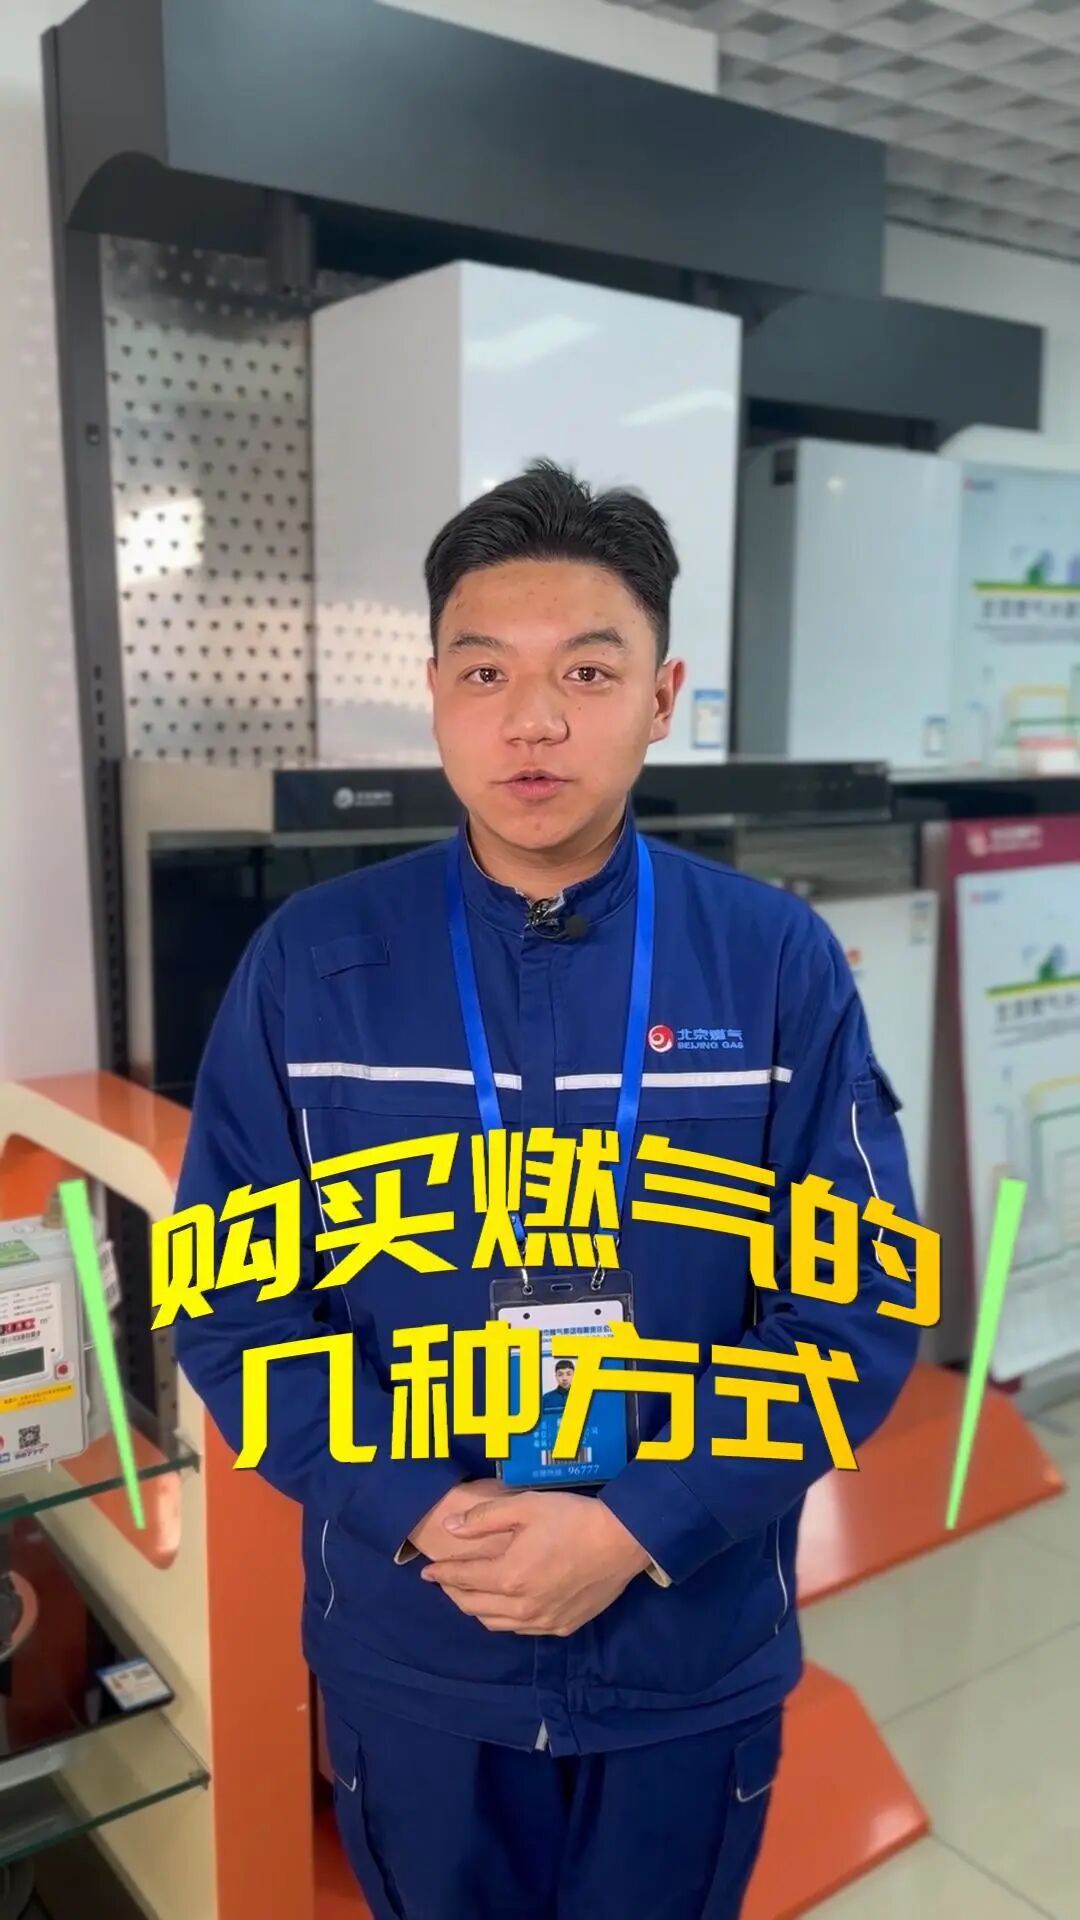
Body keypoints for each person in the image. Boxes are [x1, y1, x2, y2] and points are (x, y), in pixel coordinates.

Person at [174, 461, 919, 1920]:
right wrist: (415, 1503)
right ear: (434, 697)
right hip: (418, 1643)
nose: (532, 720)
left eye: (587, 670)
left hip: (685, 1648)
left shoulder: (771, 962)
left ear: (662, 696)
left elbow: (858, 1306)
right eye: (485, 672)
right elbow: (229, 1301)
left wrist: (639, 1525)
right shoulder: (311, 964)